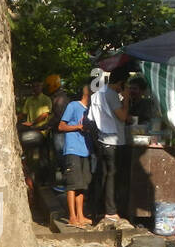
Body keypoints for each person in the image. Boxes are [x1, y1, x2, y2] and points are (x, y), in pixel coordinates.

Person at [89, 67, 132, 227]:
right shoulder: (112, 94)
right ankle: (111, 211)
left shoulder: (98, 94)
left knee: (105, 175)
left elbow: (95, 117)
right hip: (114, 142)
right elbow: (123, 117)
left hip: (102, 140)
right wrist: (126, 100)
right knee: (113, 177)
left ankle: (98, 209)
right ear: (120, 82)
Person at [56, 84, 92, 226]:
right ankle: (72, 216)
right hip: (73, 149)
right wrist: (78, 127)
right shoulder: (73, 106)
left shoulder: (89, 111)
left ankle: (80, 215)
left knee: (81, 184)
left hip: (85, 149)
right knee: (72, 184)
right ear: (87, 95)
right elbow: (61, 126)